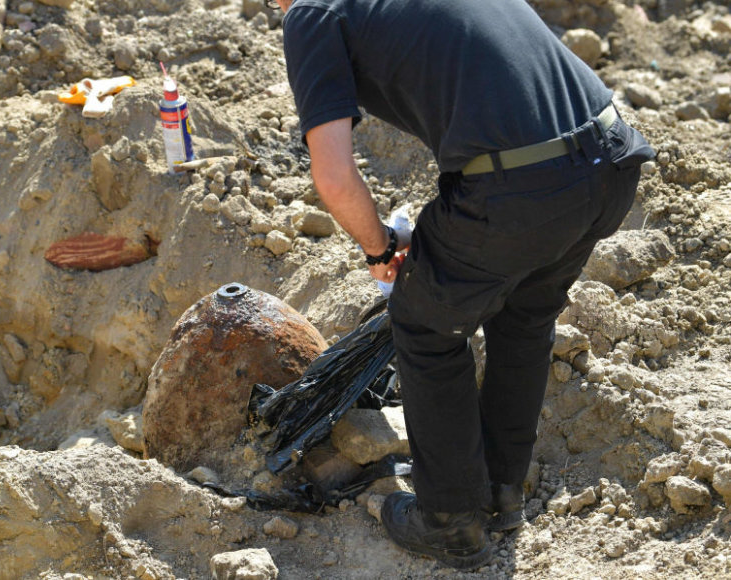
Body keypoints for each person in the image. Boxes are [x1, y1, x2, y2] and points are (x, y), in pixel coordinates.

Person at [268, 0, 655, 571]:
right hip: (612, 159)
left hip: (525, 187)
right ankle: (501, 495)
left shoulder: (313, 14)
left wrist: (379, 248)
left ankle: (450, 521)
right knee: (524, 317)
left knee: (425, 324)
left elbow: (331, 173)